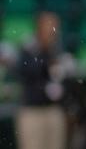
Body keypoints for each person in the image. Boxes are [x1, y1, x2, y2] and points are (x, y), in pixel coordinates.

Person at [14, 12, 68, 149]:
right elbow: (24, 72)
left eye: (55, 26)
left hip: (53, 109)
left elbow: (62, 78)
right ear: (39, 27)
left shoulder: (57, 49)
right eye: (49, 25)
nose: (53, 29)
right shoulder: (29, 48)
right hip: (32, 110)